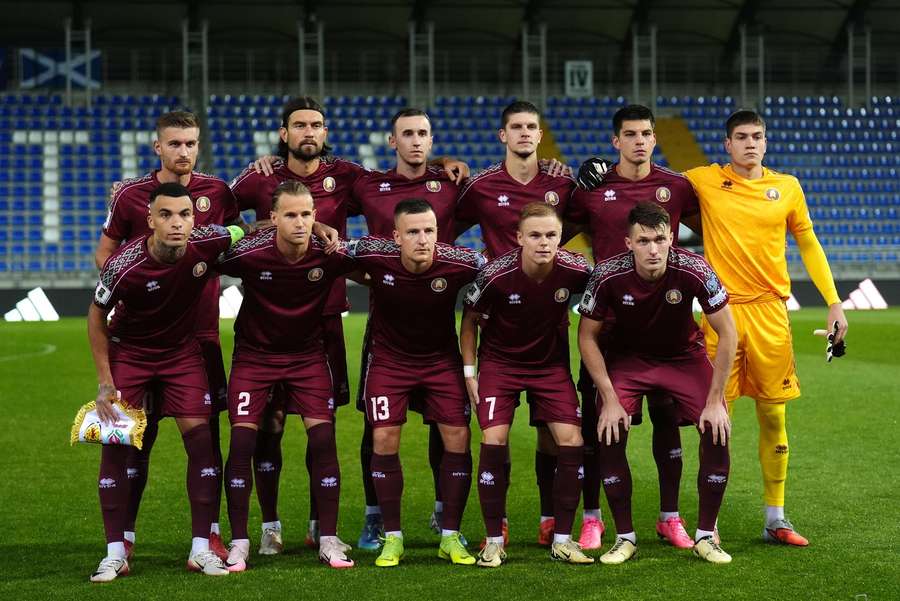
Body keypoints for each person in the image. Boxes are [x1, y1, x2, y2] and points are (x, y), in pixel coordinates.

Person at [682, 110, 848, 545]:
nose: (750, 144)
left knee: (774, 415)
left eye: (757, 136)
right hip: (721, 313)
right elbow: (648, 182)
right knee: (716, 419)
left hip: (771, 313)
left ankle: (775, 518)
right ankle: (708, 523)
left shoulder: (788, 188)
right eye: (741, 137)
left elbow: (809, 242)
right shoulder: (702, 180)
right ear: (727, 145)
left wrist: (834, 302)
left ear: (766, 142)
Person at [94, 110, 243, 561]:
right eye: (175, 143)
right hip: (140, 336)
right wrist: (139, 291)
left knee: (205, 434)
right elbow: (105, 254)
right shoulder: (130, 196)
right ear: (157, 146)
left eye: (191, 143)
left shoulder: (218, 192)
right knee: (138, 437)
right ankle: (125, 538)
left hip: (199, 336)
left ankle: (210, 534)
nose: (184, 151)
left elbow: (236, 237)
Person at [230, 96, 365, 553]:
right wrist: (254, 233)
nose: (309, 132)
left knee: (319, 427)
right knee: (267, 427)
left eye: (317, 125)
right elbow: (216, 210)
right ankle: (268, 527)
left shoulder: (346, 175)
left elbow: (399, 186)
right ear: (284, 134)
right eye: (299, 125)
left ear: (325, 133)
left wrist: (445, 162)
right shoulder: (258, 177)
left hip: (322, 324)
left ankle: (317, 524)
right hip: (266, 327)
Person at [564, 104, 701, 550]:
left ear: (655, 139)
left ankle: (669, 517)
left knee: (666, 419)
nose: (639, 140)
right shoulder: (594, 187)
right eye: (630, 133)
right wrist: (567, 180)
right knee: (595, 424)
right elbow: (553, 229)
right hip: (605, 324)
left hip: (662, 322)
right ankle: (592, 518)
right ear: (615, 141)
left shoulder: (678, 187)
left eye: (646, 133)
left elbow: (714, 228)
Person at [577, 201, 737, 565]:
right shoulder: (607, 274)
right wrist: (609, 397)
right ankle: (625, 537)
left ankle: (706, 535)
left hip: (683, 358)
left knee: (717, 428)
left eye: (660, 239)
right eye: (644, 240)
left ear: (671, 239)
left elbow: (728, 333)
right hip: (629, 360)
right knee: (609, 428)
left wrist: (715, 401)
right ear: (628, 243)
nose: (653, 249)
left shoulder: (694, 268)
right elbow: (586, 336)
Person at [215, 181, 360, 570]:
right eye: (291, 215)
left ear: (317, 218)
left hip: (307, 358)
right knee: (244, 444)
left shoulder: (327, 252)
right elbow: (199, 253)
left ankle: (328, 539)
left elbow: (381, 257)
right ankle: (243, 539)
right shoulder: (250, 253)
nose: (300, 222)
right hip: (254, 358)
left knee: (324, 440)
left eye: (307, 215)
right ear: (274, 218)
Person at [455, 100, 577, 546]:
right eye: (516, 127)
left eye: (532, 127)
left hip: (550, 334)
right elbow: (440, 223)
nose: (525, 133)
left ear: (540, 135)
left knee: (553, 435)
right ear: (502, 135)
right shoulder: (482, 185)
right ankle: (496, 525)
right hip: (500, 325)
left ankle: (551, 520)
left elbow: (585, 224)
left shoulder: (562, 181)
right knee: (494, 435)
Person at [348, 108, 468, 549]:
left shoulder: (453, 184)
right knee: (375, 428)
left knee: (447, 425)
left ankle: (443, 513)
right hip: (386, 328)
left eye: (423, 134)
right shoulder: (367, 185)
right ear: (391, 142)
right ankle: (375, 517)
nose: (416, 141)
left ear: (433, 141)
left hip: (437, 324)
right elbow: (316, 206)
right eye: (407, 134)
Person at [349, 198, 485, 567]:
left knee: (458, 438)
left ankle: (450, 536)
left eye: (429, 231)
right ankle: (392, 538)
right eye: (413, 232)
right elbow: (330, 251)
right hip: (389, 362)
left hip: (440, 362)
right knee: (382, 438)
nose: (423, 239)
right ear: (396, 236)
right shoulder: (373, 254)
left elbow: (499, 271)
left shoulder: (460, 261)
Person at [460, 202, 593, 567]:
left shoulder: (574, 270)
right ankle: (492, 540)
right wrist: (471, 375)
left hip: (550, 368)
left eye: (551, 235)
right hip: (500, 366)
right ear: (519, 238)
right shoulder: (495, 275)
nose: (544, 242)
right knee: (494, 439)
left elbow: (607, 291)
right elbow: (469, 321)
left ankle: (563, 540)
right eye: (535, 235)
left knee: (572, 442)